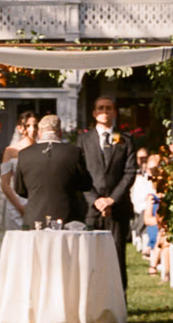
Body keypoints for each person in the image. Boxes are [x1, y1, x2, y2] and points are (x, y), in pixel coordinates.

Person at [79, 95, 138, 284]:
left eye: (109, 108)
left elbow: (130, 172)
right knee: (89, 258)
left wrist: (111, 200)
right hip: (91, 210)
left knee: (117, 257)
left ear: (114, 112)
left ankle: (118, 302)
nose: (105, 112)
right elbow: (80, 173)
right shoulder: (83, 140)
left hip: (117, 209)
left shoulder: (126, 141)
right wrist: (96, 200)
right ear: (94, 113)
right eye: (101, 108)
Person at [11, 113, 91, 226]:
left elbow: (20, 189)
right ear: (60, 132)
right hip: (67, 217)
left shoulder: (25, 154)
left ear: (39, 133)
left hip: (35, 218)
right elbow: (86, 184)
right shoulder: (74, 152)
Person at [0, 111, 37, 227]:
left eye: (35, 125)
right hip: (15, 203)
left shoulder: (40, 149)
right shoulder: (11, 151)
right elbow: (5, 185)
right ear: (20, 128)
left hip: (35, 201)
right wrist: (20, 207)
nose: (32, 129)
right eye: (28, 126)